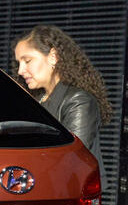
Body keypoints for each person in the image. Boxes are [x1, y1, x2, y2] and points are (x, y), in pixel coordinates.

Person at [13, 25, 113, 160]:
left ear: (53, 57)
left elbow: (69, 159)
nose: (20, 70)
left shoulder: (79, 101)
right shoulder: (37, 101)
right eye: (19, 63)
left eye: (27, 61)